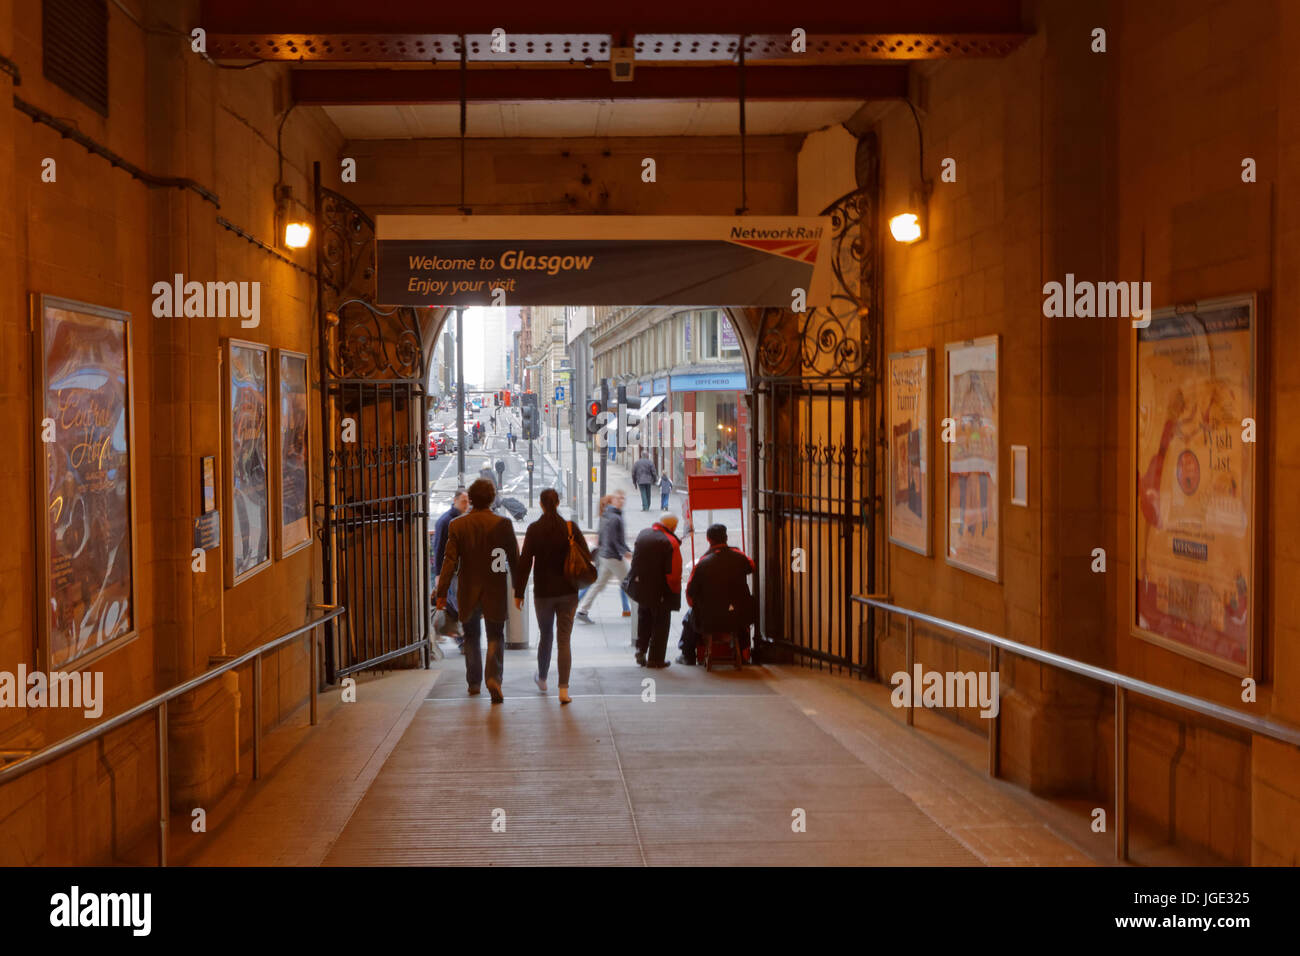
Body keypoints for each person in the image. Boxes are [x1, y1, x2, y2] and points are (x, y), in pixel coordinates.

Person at [435, 478, 519, 702]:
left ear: (470, 499)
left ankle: (474, 683)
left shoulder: (458, 525)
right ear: (492, 499)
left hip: (467, 589)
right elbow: (515, 560)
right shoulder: (503, 525)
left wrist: (441, 593)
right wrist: (519, 590)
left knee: (471, 636)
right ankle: (493, 677)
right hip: (495, 588)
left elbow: (449, 561)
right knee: (496, 635)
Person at [514, 489, 592, 705]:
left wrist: (519, 593)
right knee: (564, 640)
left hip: (543, 594)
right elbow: (585, 554)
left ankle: (542, 678)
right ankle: (564, 691)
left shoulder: (534, 529)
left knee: (545, 636)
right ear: (558, 503)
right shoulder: (570, 528)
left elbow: (525, 562)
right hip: (568, 592)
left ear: (540, 504)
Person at [678, 524, 755, 665]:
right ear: (726, 538)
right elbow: (752, 566)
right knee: (742, 611)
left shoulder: (701, 564)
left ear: (708, 539)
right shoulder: (739, 557)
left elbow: (690, 594)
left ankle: (687, 655)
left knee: (689, 616)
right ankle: (744, 654)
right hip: (739, 616)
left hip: (709, 619)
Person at [624, 512, 682, 668]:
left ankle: (641, 650)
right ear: (672, 527)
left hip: (641, 588)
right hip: (661, 590)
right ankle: (656, 659)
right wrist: (675, 591)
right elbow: (674, 573)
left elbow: (635, 561)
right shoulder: (670, 542)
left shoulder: (643, 534)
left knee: (644, 620)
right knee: (661, 624)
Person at [575, 491, 632, 624]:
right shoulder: (614, 517)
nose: (622, 501)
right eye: (619, 498)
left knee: (598, 584)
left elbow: (605, 536)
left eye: (623, 498)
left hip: (606, 555)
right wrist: (625, 552)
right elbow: (614, 539)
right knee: (630, 582)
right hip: (613, 556)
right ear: (612, 501)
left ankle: (582, 610)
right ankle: (640, 610)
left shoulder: (608, 515)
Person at [432, 488, 469, 649]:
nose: (466, 504)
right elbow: (439, 549)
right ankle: (462, 639)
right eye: (463, 501)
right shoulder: (445, 521)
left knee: (459, 605)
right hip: (452, 573)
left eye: (468, 501)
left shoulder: (463, 519)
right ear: (454, 500)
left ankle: (461, 637)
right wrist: (439, 574)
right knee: (459, 605)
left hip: (462, 572)